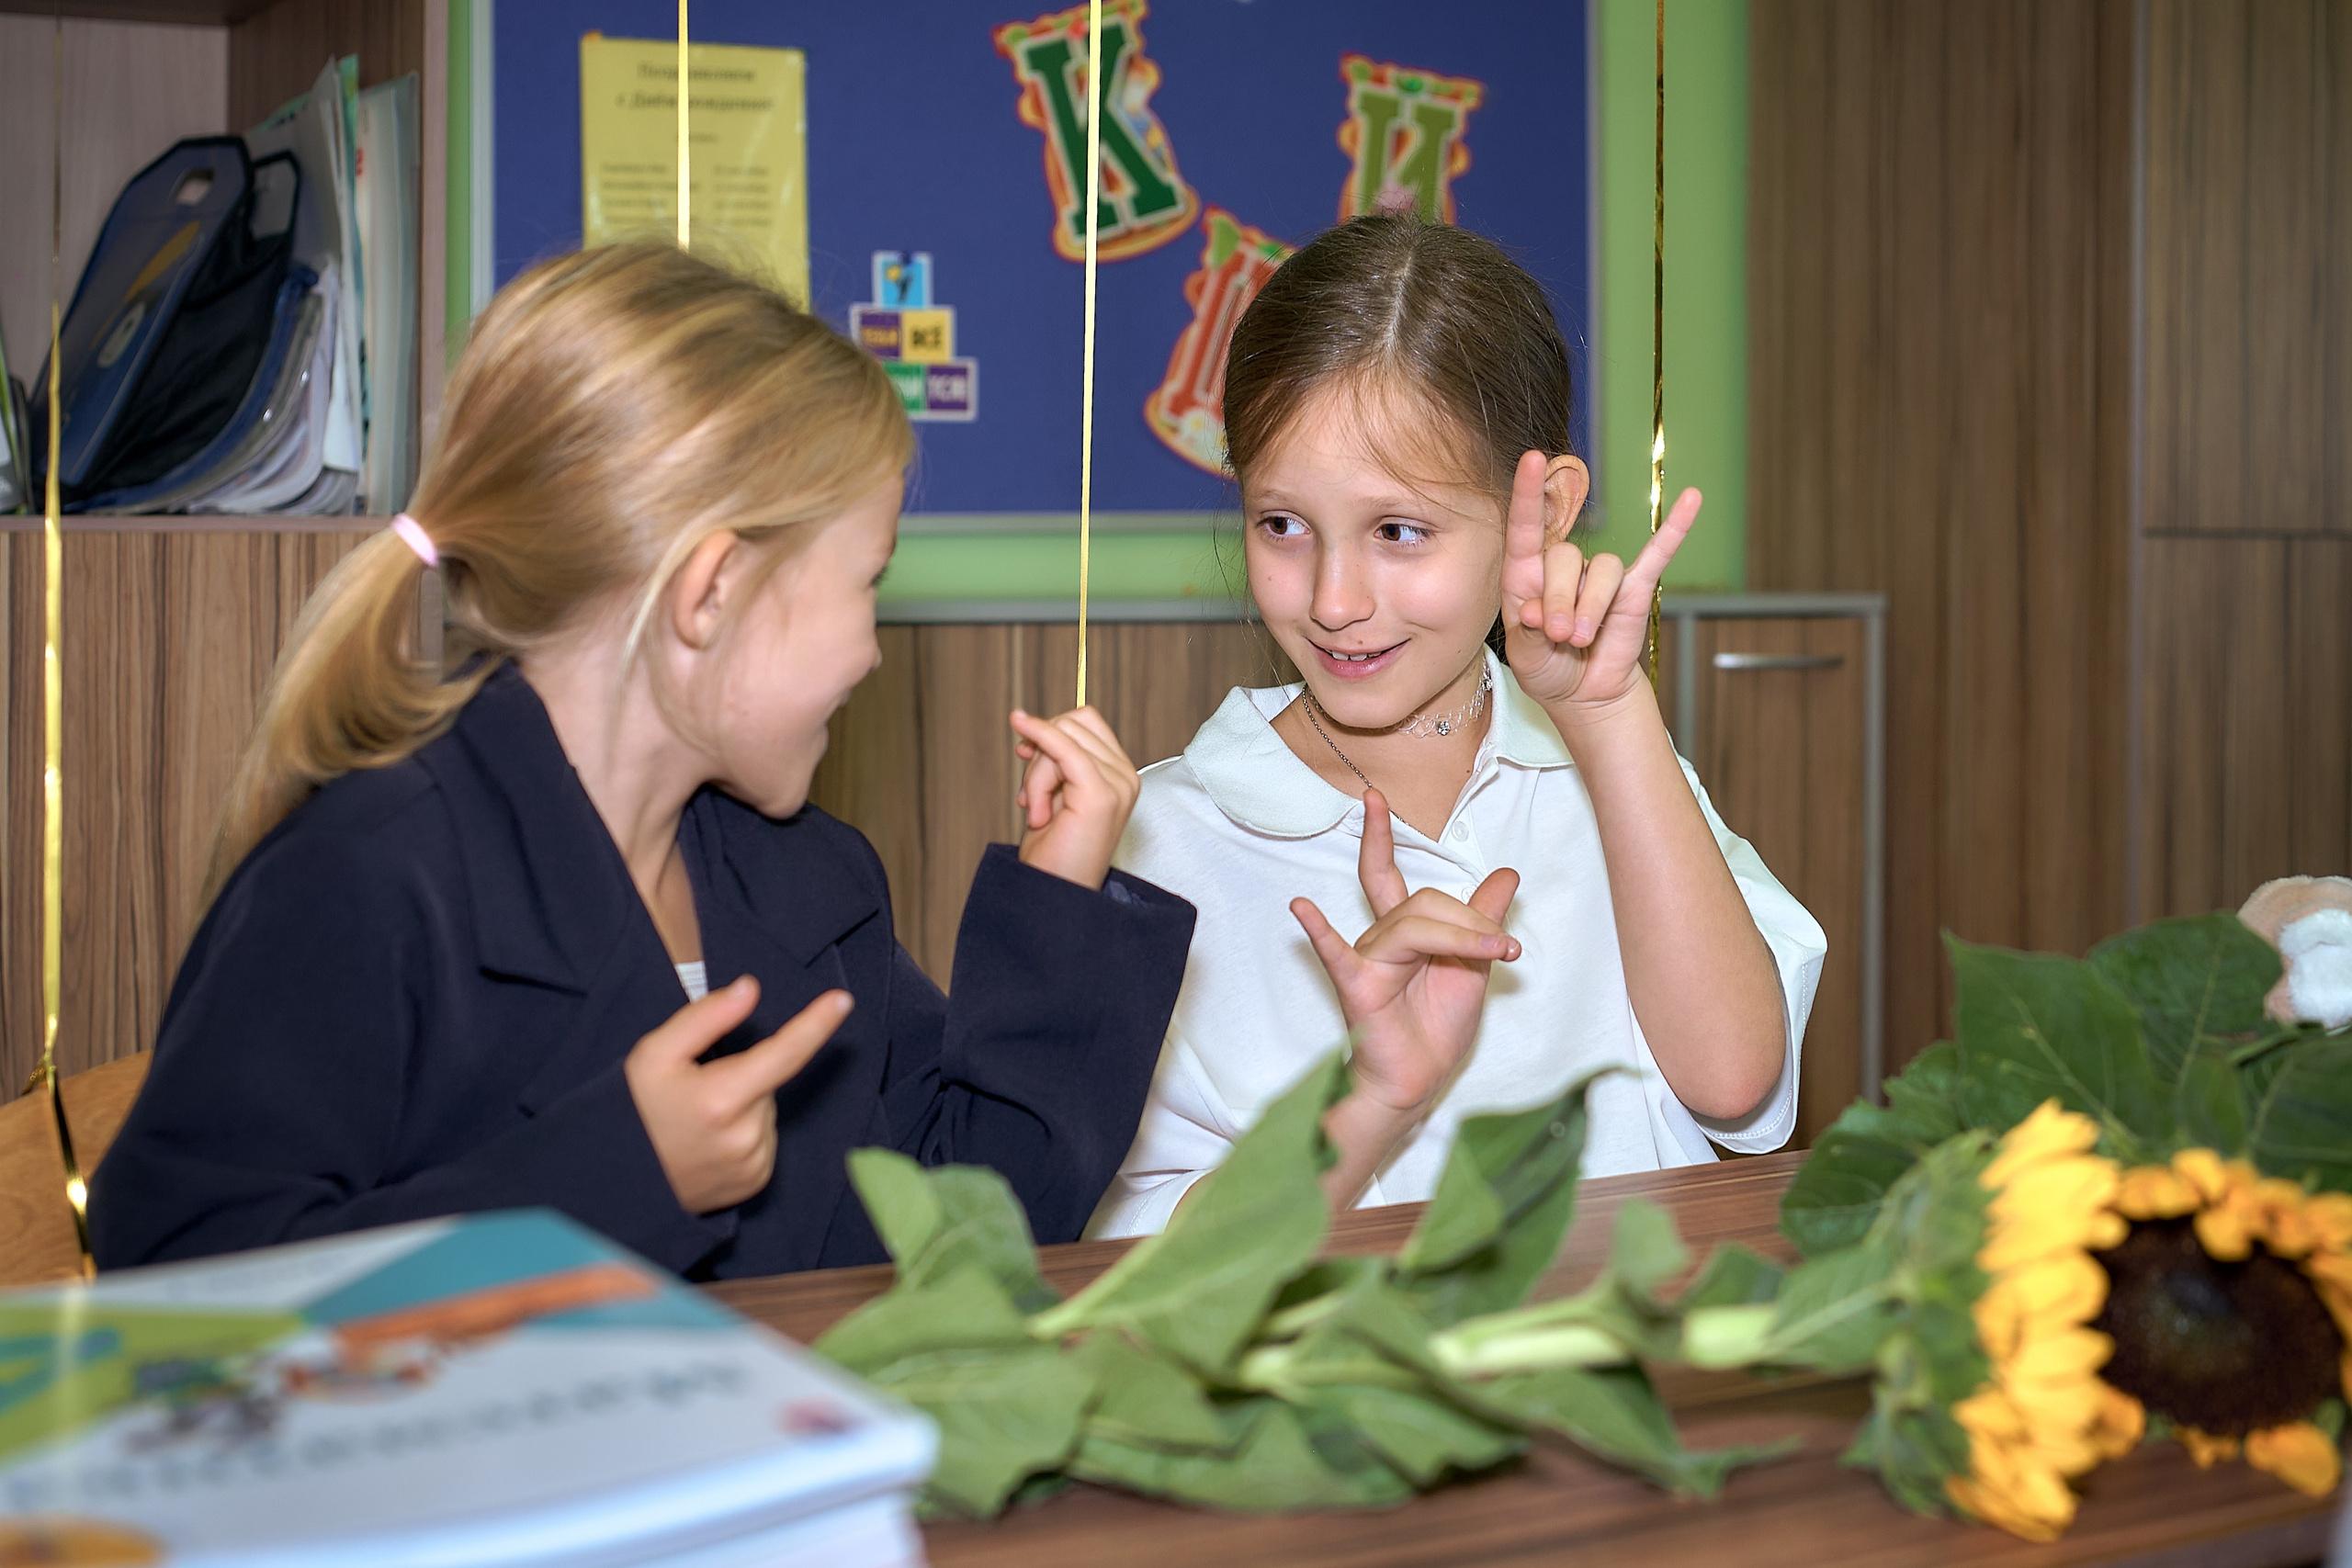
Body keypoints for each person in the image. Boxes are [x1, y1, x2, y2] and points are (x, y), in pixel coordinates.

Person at [90, 243, 1201, 1279]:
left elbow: (974, 1236)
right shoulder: (364, 881)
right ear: (711, 592)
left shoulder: (808, 882)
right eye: (866, 583)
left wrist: (1059, 909)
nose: (870, 650)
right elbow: (183, 1299)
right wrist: (614, 1176)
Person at [1090, 215, 1827, 1237]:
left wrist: (1609, 723)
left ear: (1547, 509)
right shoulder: (1160, 839)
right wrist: (1364, 1103)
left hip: (1632, 1368)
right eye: (1281, 525)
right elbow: (1140, 1260)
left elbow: (1735, 1088)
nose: (1334, 598)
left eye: (1399, 531)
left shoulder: (1615, 772)